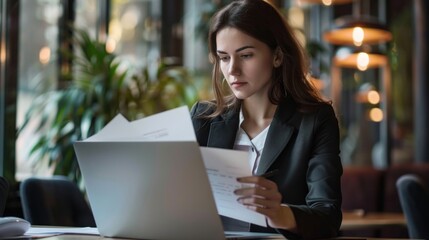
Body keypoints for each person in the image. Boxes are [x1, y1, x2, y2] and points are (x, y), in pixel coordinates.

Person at [190, 0, 342, 239]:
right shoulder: (203, 118)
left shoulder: (315, 121)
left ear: (278, 56)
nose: (232, 70)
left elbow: (328, 217)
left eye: (246, 55)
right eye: (224, 58)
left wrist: (279, 213)